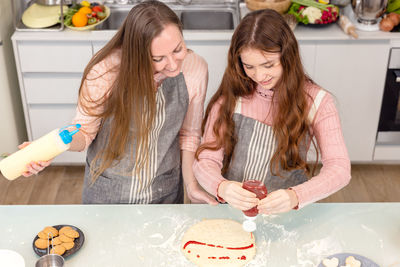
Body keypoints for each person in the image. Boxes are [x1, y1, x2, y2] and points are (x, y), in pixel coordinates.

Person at [21, 0, 217, 205]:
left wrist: (191, 186)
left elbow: (189, 135)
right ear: (137, 53)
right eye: (158, 58)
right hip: (109, 194)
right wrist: (54, 146)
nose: (173, 64)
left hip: (164, 192)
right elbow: (85, 131)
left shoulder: (195, 69)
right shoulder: (105, 72)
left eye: (178, 49)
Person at [193, 9, 351, 214]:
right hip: (233, 210)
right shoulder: (231, 98)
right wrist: (222, 187)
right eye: (249, 66)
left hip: (287, 214)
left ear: (288, 56)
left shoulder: (318, 101)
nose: (259, 76)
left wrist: (295, 196)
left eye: (268, 65)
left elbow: (339, 169)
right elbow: (206, 160)